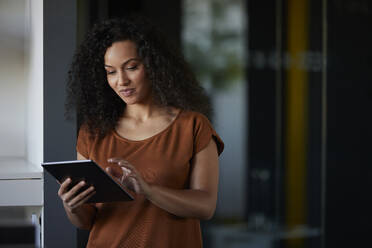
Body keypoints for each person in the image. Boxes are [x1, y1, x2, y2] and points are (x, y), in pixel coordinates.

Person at [60, 16, 224, 248]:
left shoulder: (192, 126)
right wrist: (72, 206)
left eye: (132, 67)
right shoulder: (93, 132)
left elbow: (205, 206)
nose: (122, 81)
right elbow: (87, 221)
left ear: (154, 65)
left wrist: (147, 190)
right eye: (111, 72)